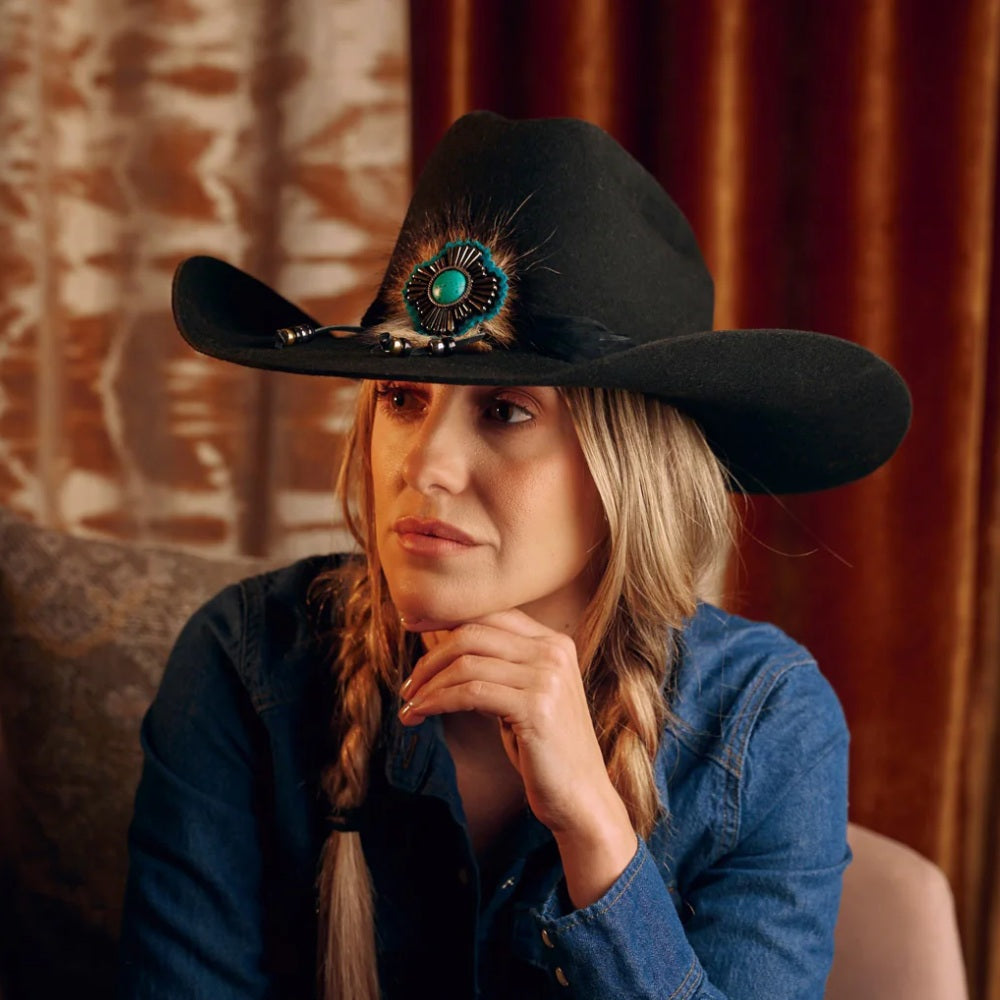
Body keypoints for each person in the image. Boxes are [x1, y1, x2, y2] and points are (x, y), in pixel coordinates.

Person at [119, 111, 911, 999]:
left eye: (505, 412)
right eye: (401, 397)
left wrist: (596, 836)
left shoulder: (764, 722)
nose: (424, 467)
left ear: (626, 471)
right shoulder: (245, 662)